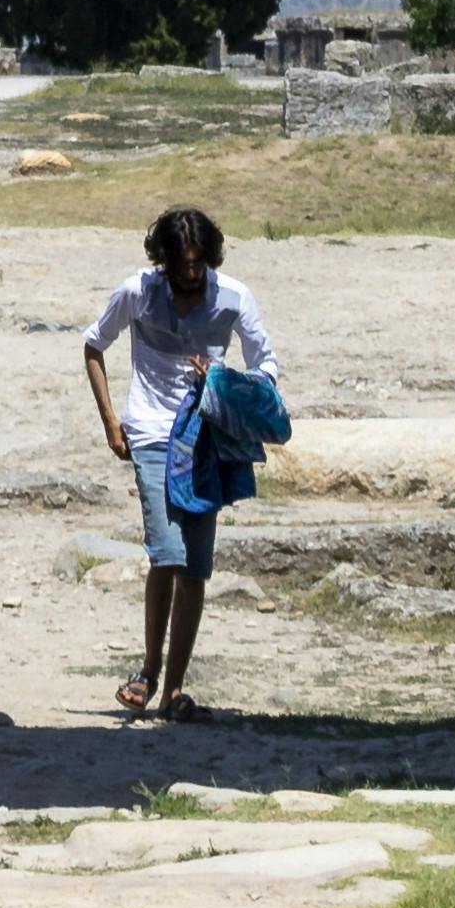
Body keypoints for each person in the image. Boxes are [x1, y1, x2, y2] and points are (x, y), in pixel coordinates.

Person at [76, 204, 273, 721]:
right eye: (180, 266)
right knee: (166, 553)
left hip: (206, 439)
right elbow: (93, 346)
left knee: (196, 566)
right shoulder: (138, 291)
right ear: (163, 260)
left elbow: (266, 368)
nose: (190, 276)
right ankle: (148, 670)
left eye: (198, 266)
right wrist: (110, 421)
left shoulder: (233, 298)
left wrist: (225, 381)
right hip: (150, 434)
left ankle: (174, 692)